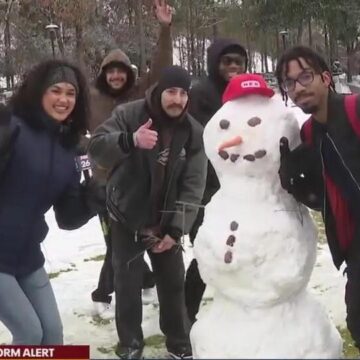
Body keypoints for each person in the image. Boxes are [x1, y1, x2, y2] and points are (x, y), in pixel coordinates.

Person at [88, 65, 207, 359]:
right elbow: (97, 147)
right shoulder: (129, 114)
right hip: (126, 216)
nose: (176, 99)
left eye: (182, 93)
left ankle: (178, 343)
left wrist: (176, 229)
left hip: (164, 222)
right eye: (171, 92)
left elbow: (193, 185)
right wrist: (129, 140)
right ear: (159, 91)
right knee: (127, 286)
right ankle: (130, 344)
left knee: (172, 284)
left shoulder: (193, 132)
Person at [0, 59, 98, 345]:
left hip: (27, 256)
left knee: (53, 335)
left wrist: (91, 200)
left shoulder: (69, 147)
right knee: (29, 334)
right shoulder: (10, 127)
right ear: (38, 91)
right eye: (56, 90)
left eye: (71, 93)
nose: (63, 99)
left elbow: (67, 218)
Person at [88, 0, 173, 317]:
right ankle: (103, 293)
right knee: (116, 244)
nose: (115, 76)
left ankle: (144, 283)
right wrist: (88, 145)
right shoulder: (91, 99)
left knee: (142, 237)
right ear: (103, 75)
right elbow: (75, 130)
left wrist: (164, 30)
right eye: (109, 71)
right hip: (104, 184)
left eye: (120, 71)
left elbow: (162, 70)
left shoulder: (140, 94)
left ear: (128, 74)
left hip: (141, 182)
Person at [275, 45, 360, 350]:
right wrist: (298, 187)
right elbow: (331, 194)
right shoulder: (310, 133)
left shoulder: (355, 109)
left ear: (325, 78)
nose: (298, 87)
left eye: (305, 76)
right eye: (289, 82)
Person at [185, 38, 248, 324]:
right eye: (227, 62)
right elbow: (202, 139)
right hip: (206, 188)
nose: (233, 67)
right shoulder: (201, 94)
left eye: (238, 62)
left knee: (236, 249)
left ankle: (234, 308)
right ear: (215, 64)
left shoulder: (246, 94)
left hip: (238, 187)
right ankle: (187, 312)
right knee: (207, 253)